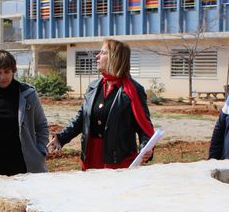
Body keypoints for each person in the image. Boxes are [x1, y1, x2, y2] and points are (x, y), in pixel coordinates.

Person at [48, 39, 154, 169]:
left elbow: (144, 128)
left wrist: (146, 149)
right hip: (91, 155)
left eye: (103, 52)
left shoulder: (133, 90)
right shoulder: (93, 87)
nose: (97, 56)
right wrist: (61, 138)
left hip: (119, 161)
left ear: (115, 58)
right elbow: (82, 119)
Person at [0, 50, 48, 180]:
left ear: (13, 71)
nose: (3, 76)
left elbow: (41, 125)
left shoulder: (28, 94)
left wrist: (40, 151)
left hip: (22, 165)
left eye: (7, 71)